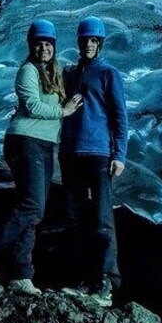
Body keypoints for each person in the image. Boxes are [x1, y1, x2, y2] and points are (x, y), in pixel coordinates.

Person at [0, 19, 83, 295]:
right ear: (31, 46)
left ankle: (21, 274)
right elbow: (32, 106)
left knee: (33, 209)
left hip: (43, 144)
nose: (44, 48)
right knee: (31, 205)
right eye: (39, 44)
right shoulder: (27, 71)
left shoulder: (53, 72)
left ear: (54, 47)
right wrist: (63, 112)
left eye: (48, 44)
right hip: (24, 141)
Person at [59, 16, 128, 307]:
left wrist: (119, 155)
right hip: (70, 154)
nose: (88, 44)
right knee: (76, 220)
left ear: (99, 44)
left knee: (101, 220)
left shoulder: (109, 74)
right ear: (79, 42)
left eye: (93, 41)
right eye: (85, 40)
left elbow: (119, 116)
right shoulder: (69, 73)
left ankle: (106, 284)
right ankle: (86, 280)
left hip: (99, 153)